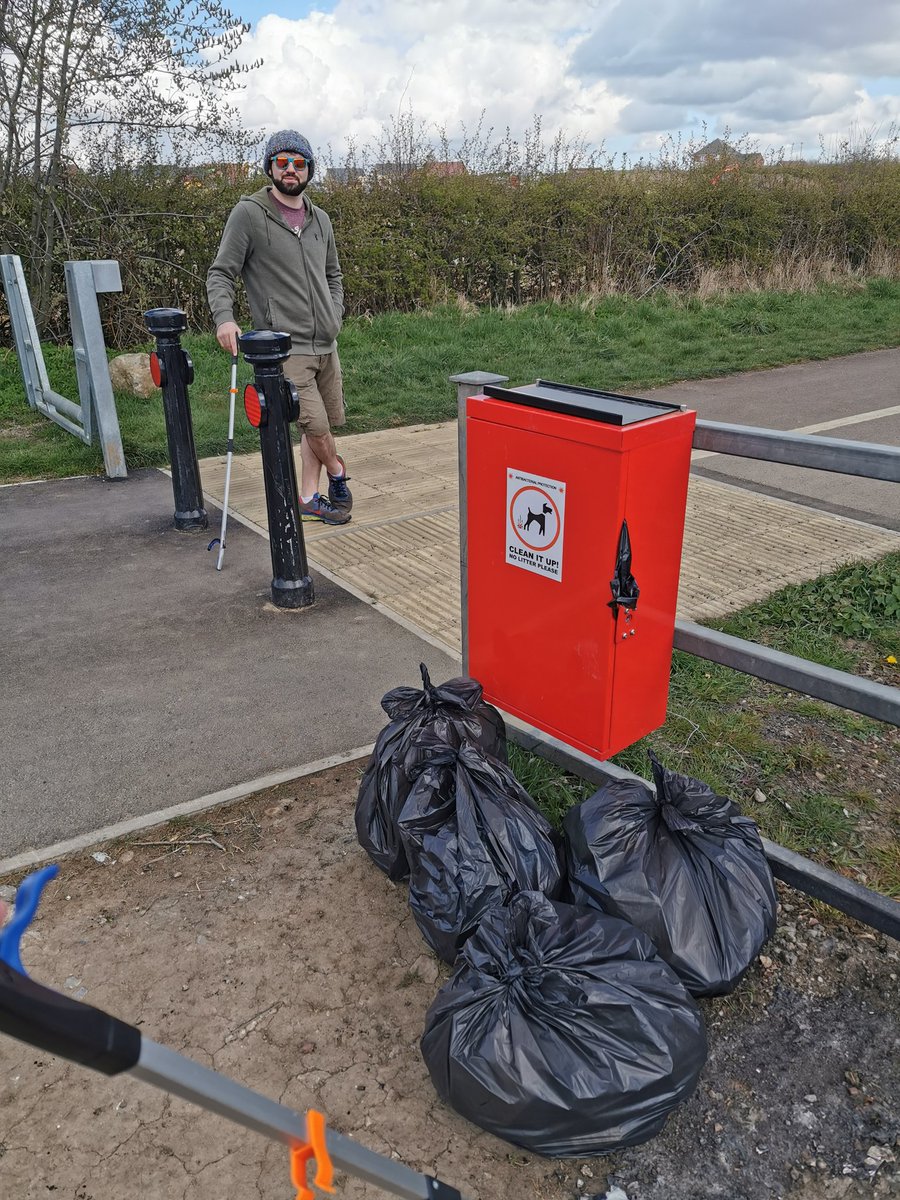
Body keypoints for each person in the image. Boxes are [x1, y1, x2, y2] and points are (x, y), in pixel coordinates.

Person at [207, 129, 352, 525]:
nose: (291, 170)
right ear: (270, 167)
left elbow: (334, 274)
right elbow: (221, 273)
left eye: (299, 163)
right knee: (316, 425)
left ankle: (309, 497)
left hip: (326, 343)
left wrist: (333, 313)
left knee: (316, 427)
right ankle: (338, 473)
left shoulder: (320, 218)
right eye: (282, 162)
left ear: (309, 170)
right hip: (286, 347)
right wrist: (225, 318)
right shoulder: (249, 214)